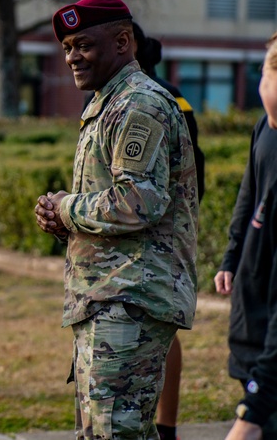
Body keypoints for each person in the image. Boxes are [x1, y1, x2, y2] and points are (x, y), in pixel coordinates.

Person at [34, 0, 198, 440]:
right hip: (109, 296)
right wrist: (60, 219)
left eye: (83, 45)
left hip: (131, 297)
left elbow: (137, 201)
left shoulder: (139, 104)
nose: (72, 57)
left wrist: (66, 207)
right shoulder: (108, 102)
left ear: (123, 41)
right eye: (67, 48)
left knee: (115, 433)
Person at [131, 24, 205, 440]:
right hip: (177, 229)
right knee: (165, 330)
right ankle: (166, 427)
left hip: (152, 237)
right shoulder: (176, 95)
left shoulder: (141, 99)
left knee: (158, 330)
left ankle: (161, 427)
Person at [213, 32, 277, 440]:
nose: (260, 82)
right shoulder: (265, 127)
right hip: (251, 340)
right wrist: (232, 255)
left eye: (264, 69)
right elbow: (249, 193)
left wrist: (251, 413)